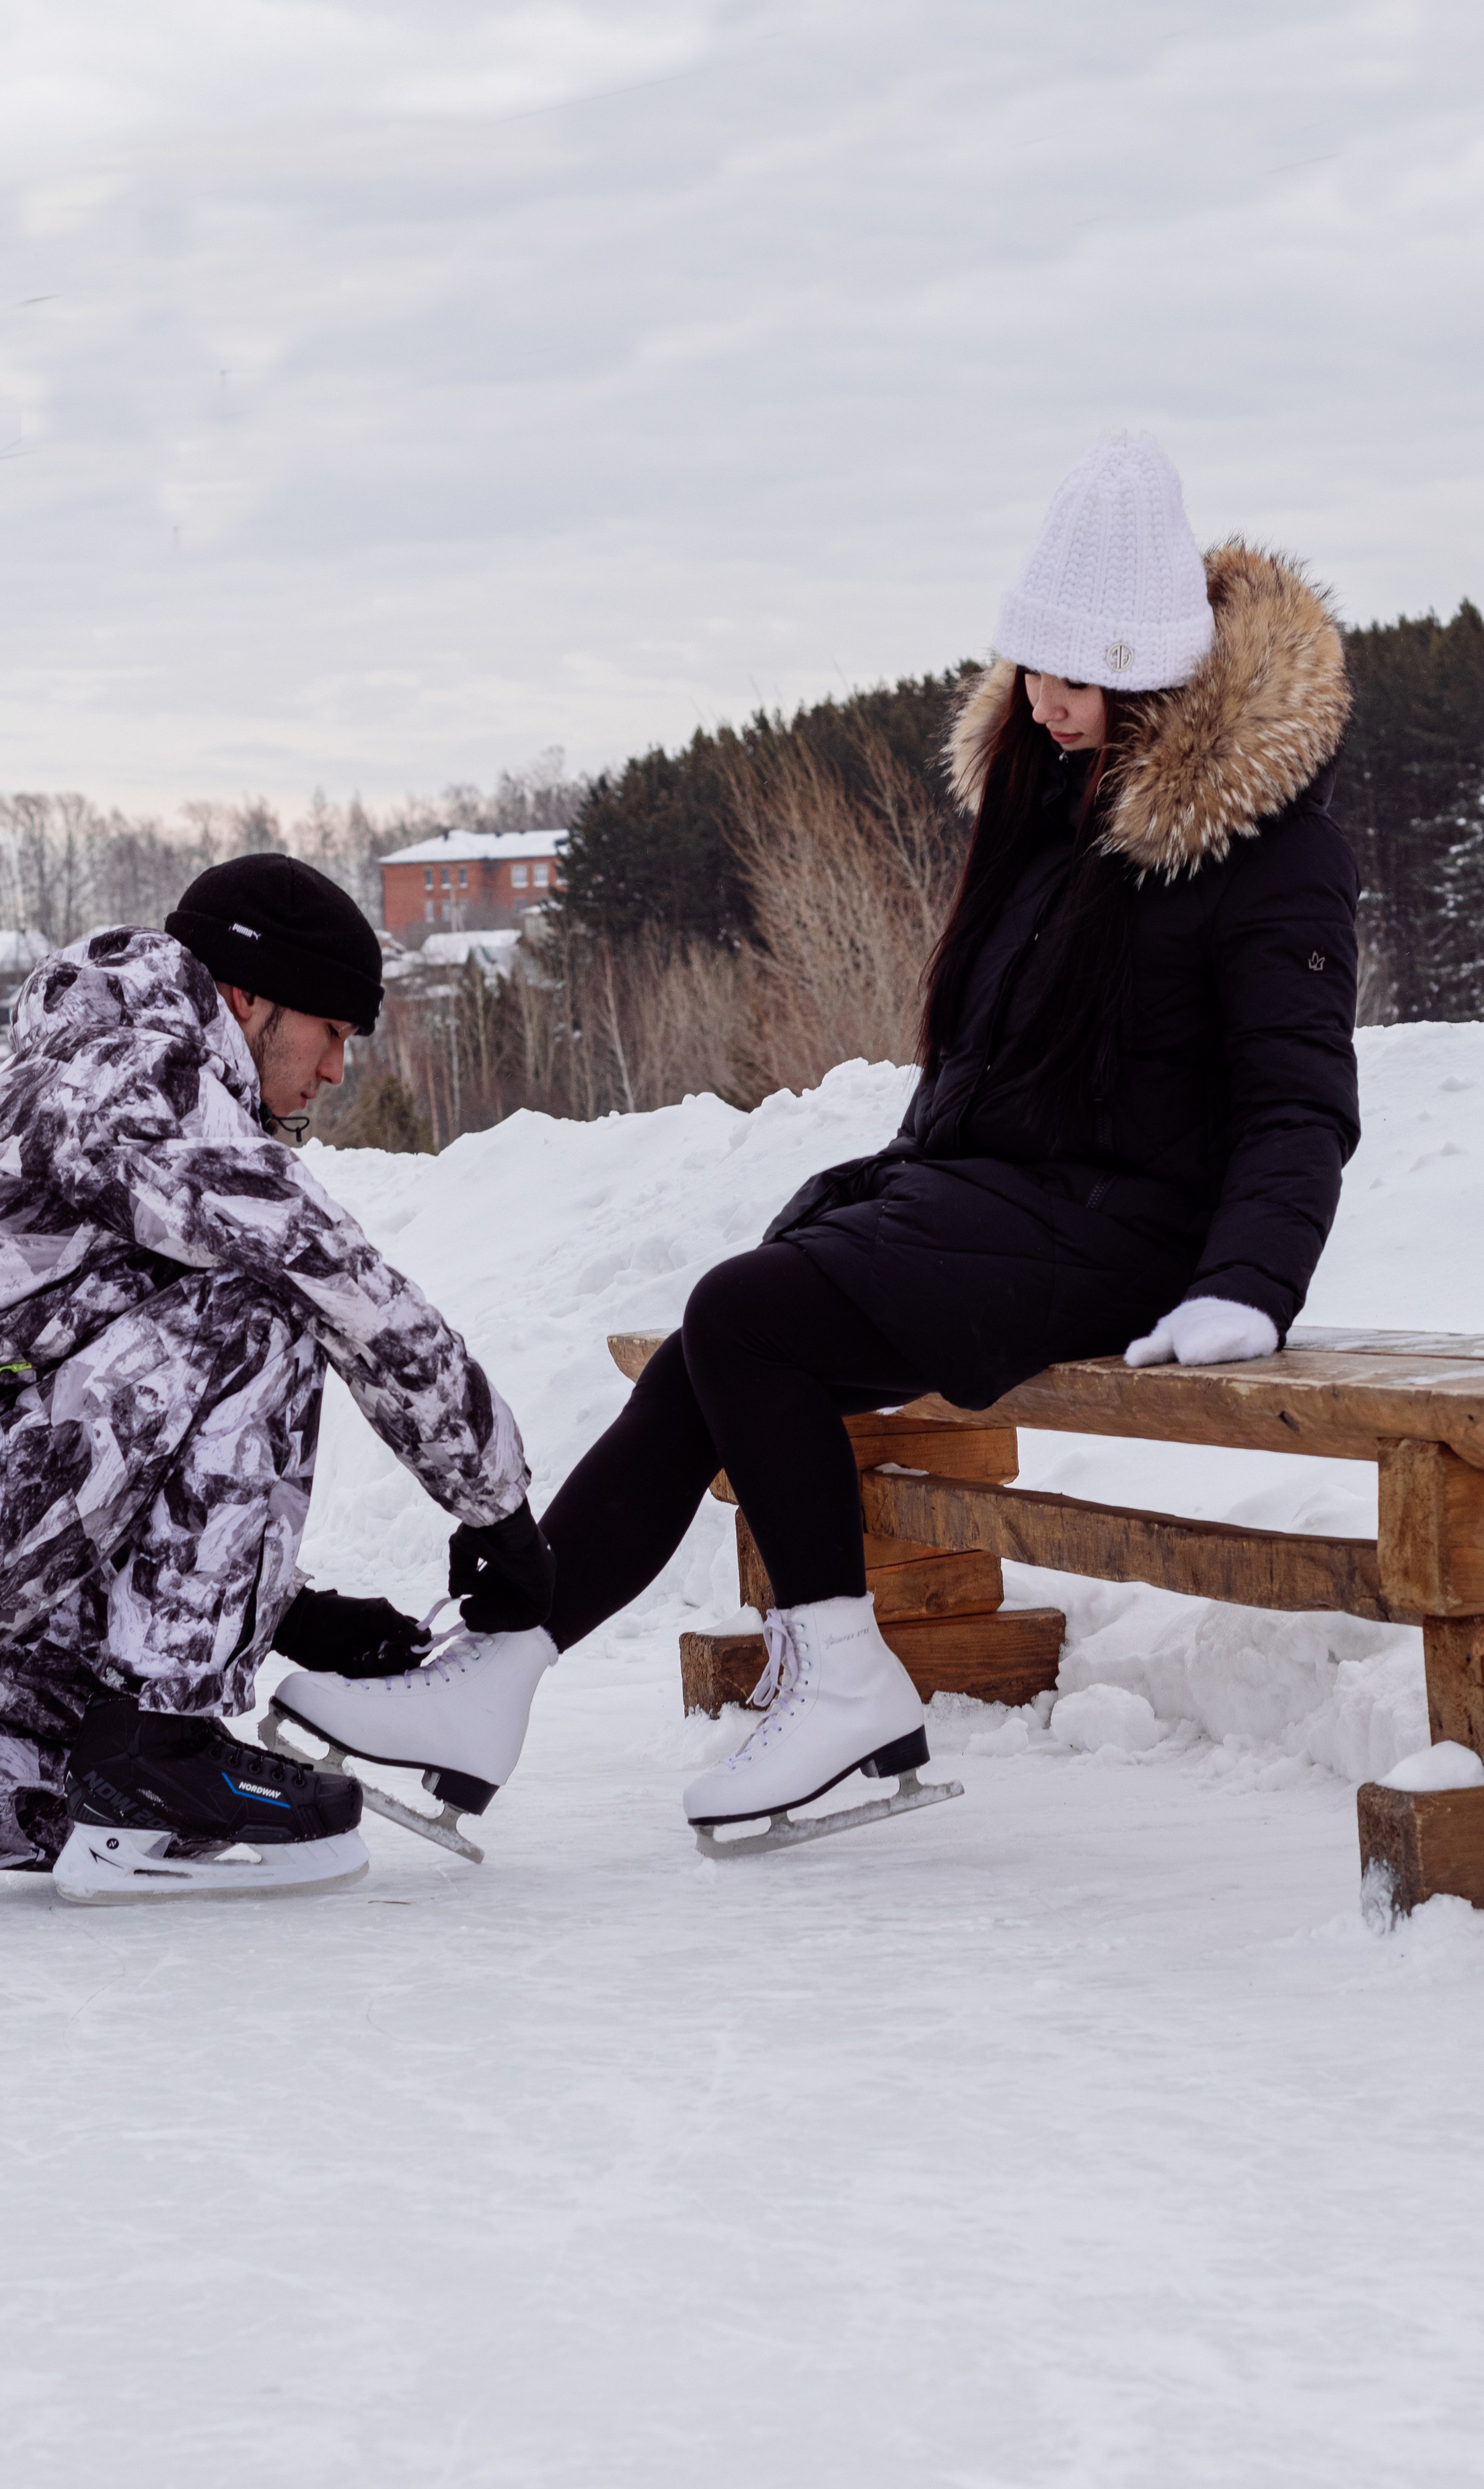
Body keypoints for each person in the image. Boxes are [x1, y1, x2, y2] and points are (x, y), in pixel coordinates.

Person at [273, 432, 1360, 1847]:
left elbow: (1295, 1096)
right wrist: (889, 1193)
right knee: (714, 1346)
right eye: (1029, 665)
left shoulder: (1266, 848)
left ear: (1152, 667)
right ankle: (498, 1673)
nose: (1043, 699)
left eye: (1077, 673)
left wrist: (1248, 1285)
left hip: (1135, 1234)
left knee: (745, 1312)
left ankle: (841, 1674)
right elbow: (981, 1071)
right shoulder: (1044, 814)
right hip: (997, 1204)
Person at [0, 852, 555, 1916]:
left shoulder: (81, 1068)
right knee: (267, 1306)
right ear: (249, 996)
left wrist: (284, 1616)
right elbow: (345, 1283)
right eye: (331, 1034)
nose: (333, 1073)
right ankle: (167, 1736)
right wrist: (497, 1511)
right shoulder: (140, 1086)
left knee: (79, 1787)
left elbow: (82, 1420)